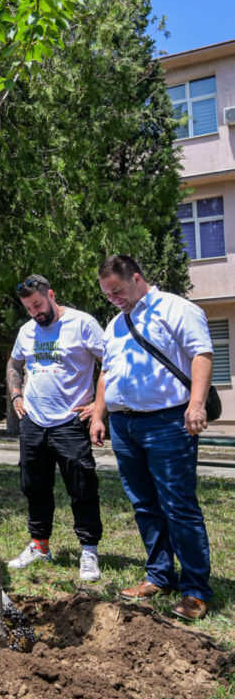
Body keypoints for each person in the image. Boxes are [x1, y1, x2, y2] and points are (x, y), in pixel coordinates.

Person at [89, 254, 213, 621]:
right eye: (107, 295)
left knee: (178, 505)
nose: (114, 299)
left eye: (117, 291)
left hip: (167, 422)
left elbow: (201, 354)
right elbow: (107, 371)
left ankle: (195, 590)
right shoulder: (115, 324)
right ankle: (160, 575)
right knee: (144, 504)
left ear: (137, 278)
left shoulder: (175, 309)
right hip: (124, 426)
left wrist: (196, 405)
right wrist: (98, 414)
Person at [6, 275, 104, 581]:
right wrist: (16, 395)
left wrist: (98, 406)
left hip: (71, 421)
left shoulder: (82, 323)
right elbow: (13, 364)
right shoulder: (26, 331)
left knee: (82, 486)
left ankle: (88, 550)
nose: (34, 312)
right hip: (34, 422)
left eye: (37, 304)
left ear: (51, 294)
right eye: (28, 308)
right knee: (34, 486)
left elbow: (111, 362)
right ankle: (39, 545)